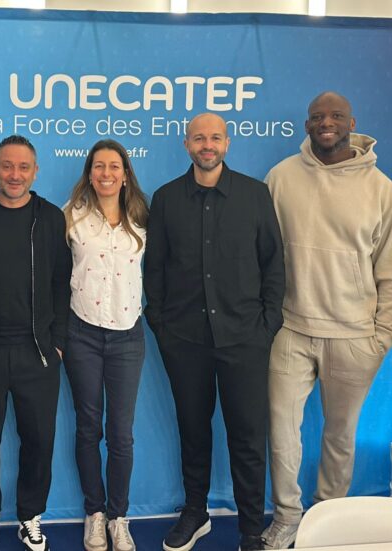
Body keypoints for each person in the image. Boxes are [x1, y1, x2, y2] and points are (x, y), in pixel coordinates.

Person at [261, 91, 392, 549]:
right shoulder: (281, 177)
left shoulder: (382, 190)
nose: (327, 122)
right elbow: (262, 252)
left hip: (353, 336)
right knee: (281, 433)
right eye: (318, 116)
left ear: (352, 123)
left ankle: (328, 516)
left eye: (336, 116)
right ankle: (287, 516)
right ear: (307, 125)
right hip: (291, 329)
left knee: (340, 436)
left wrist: (381, 336)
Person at [144, 113, 285, 551]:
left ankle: (250, 529)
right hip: (185, 340)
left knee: (248, 437)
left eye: (215, 137)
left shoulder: (255, 195)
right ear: (186, 144)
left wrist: (267, 325)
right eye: (199, 138)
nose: (208, 145)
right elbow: (155, 268)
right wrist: (162, 325)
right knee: (193, 431)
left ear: (227, 143)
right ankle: (195, 512)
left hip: (245, 338)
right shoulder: (166, 199)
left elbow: (273, 264)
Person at [0, 135, 72, 551]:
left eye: (23, 167)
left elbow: (62, 282)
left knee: (39, 440)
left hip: (37, 351)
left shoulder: (51, 218)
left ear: (35, 172)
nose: (15, 175)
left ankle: (30, 516)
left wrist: (57, 342)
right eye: (7, 166)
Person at [62, 139, 149, 551]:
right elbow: (55, 273)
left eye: (114, 166)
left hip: (128, 335)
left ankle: (118, 517)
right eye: (99, 166)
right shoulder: (72, 216)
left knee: (121, 434)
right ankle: (94, 513)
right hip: (82, 333)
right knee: (87, 427)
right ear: (90, 173)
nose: (107, 173)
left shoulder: (142, 218)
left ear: (125, 174)